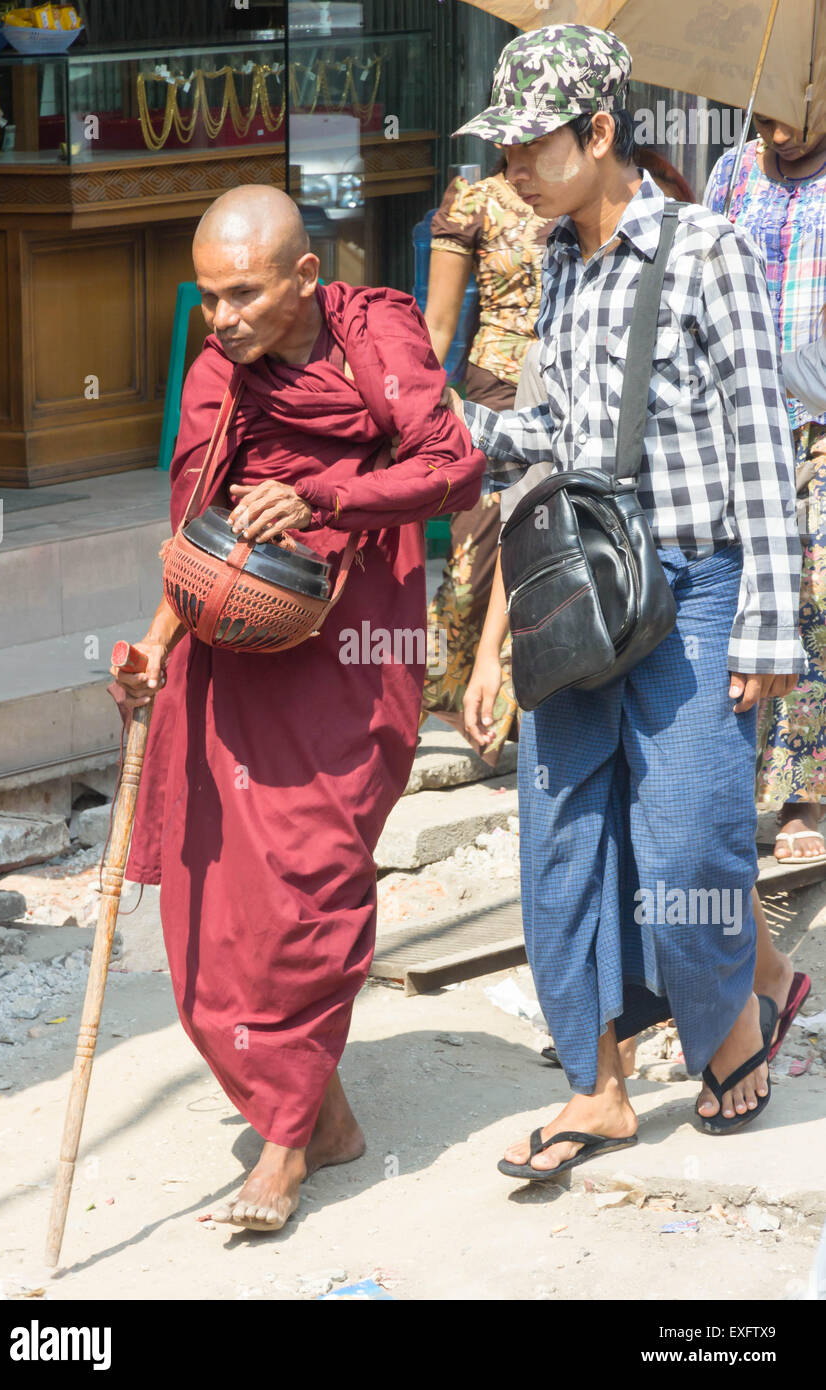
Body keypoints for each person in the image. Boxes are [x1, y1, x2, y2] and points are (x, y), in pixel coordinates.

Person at [451, 23, 802, 1174]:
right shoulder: (557, 264)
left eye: (527, 143)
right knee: (559, 841)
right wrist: (451, 425)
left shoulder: (706, 253)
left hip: (696, 591)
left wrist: (767, 624)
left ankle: (730, 1023)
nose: (508, 165)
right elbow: (551, 445)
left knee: (690, 841)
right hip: (584, 591)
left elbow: (760, 447)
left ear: (598, 133)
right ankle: (594, 1085)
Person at [111, 186, 483, 1231]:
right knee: (209, 919)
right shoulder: (216, 380)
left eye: (243, 295)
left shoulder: (378, 335)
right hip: (241, 653)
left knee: (308, 888)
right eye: (209, 297)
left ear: (305, 278)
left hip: (357, 644)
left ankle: (280, 1149)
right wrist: (153, 641)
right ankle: (318, 1116)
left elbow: (452, 466)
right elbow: (194, 534)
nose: (222, 318)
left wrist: (323, 497)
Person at [705, 117, 826, 866]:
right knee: (735, 593)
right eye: (766, 110)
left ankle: (802, 794)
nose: (775, 125)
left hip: (816, 421)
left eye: (793, 107)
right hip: (732, 421)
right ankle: (728, 784)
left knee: (810, 598)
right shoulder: (733, 173)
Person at [420, 161, 553, 762]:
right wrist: (414, 407)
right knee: (475, 550)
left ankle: (517, 706)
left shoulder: (580, 194)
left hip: (565, 386)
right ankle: (440, 694)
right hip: (496, 388)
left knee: (544, 543)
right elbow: (440, 320)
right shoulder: (473, 200)